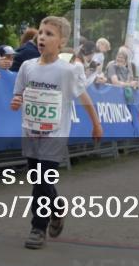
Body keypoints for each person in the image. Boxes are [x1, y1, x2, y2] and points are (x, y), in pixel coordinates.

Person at [10, 16, 103, 249]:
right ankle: (57, 206)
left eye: (49, 34)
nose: (42, 37)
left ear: (62, 42)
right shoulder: (27, 67)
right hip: (31, 132)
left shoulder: (67, 71)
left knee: (42, 180)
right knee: (37, 178)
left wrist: (96, 124)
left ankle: (37, 228)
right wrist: (16, 101)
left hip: (55, 134)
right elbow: (19, 94)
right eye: (40, 33)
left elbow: (84, 97)